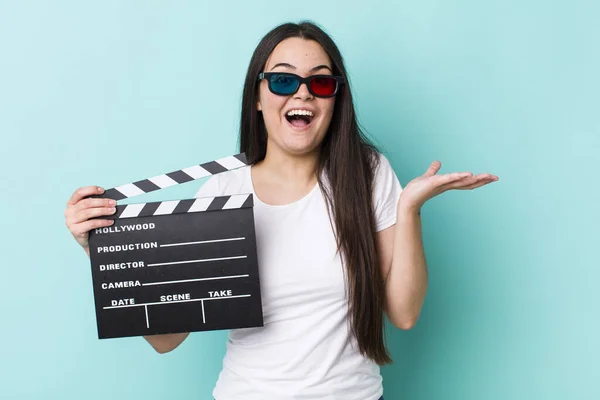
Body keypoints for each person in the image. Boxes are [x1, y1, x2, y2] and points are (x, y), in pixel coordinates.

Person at [64, 21, 498, 400]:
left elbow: (403, 313)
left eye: (321, 82)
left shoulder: (367, 174)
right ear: (257, 96)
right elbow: (167, 338)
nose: (304, 92)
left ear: (335, 100)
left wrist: (409, 210)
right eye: (284, 81)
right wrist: (100, 250)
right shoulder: (222, 190)